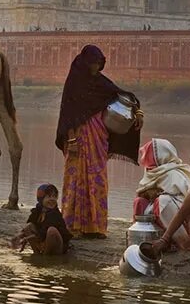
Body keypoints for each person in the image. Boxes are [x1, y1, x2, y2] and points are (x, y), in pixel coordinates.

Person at [55, 44, 144, 238]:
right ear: (86, 63)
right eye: (94, 63)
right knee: (76, 181)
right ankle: (74, 226)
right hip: (77, 138)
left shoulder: (100, 83)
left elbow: (122, 96)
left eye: (99, 63)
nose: (96, 67)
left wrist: (137, 111)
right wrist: (71, 139)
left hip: (97, 137)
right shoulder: (75, 83)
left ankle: (95, 227)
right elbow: (68, 112)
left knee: (97, 181)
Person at [132, 138, 190, 243]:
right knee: (139, 201)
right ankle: (142, 236)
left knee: (163, 201)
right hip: (153, 210)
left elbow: (188, 199)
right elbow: (142, 191)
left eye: (150, 155)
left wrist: (160, 195)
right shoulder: (152, 172)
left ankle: (172, 239)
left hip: (177, 215)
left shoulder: (175, 173)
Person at [10, 183, 72, 255]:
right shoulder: (37, 210)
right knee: (29, 226)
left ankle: (45, 256)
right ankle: (37, 253)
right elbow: (30, 225)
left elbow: (43, 233)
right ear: (41, 199)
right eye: (49, 196)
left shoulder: (55, 214)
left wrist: (26, 239)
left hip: (58, 246)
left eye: (54, 197)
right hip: (42, 240)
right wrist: (18, 236)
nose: (52, 199)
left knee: (52, 231)